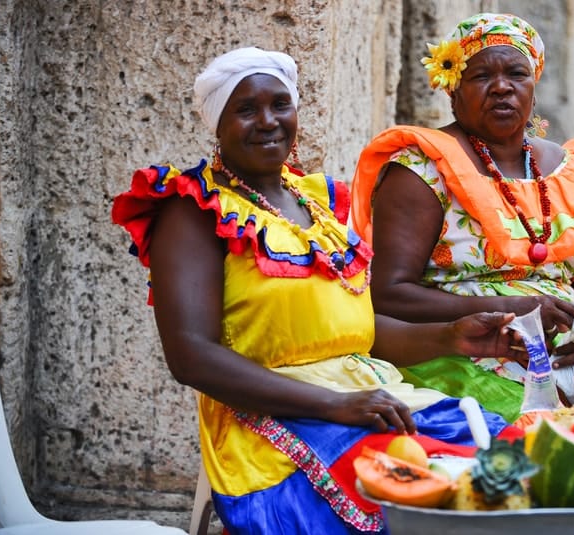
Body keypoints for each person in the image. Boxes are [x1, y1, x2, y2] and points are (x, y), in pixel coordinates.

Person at [111, 47, 527, 534]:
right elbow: (190, 358)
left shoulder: (318, 202)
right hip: (271, 418)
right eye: (246, 110)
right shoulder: (194, 211)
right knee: (423, 498)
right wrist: (336, 406)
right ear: (217, 124)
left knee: (507, 466)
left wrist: (451, 336)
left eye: (279, 105)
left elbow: (353, 333)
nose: (268, 121)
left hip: (368, 397)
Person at [350, 13, 574, 423]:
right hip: (462, 358)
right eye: (480, 76)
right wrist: (516, 308)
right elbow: (386, 294)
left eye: (516, 73)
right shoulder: (423, 172)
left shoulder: (567, 171)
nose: (502, 87)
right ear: (453, 89)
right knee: (540, 442)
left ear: (533, 86)